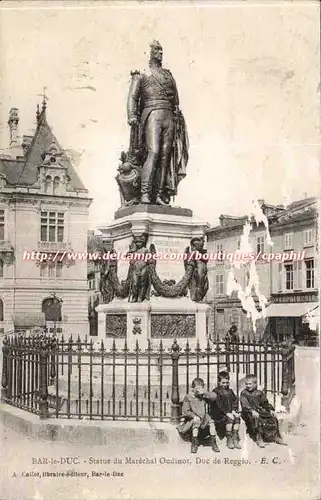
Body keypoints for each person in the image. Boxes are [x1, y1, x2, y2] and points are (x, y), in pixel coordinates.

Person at [127, 40, 188, 205]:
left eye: (161, 50)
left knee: (165, 157)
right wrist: (132, 115)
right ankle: (145, 193)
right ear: (148, 53)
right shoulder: (142, 73)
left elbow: (175, 99)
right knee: (153, 152)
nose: (160, 53)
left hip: (169, 116)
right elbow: (133, 97)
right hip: (152, 114)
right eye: (156, 50)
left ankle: (159, 195)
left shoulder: (168, 75)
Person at [240, 374, 287, 448]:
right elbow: (245, 404)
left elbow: (265, 403)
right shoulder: (244, 393)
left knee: (273, 417)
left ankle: (276, 436)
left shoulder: (259, 393)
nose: (248, 386)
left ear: (255, 384)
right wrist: (252, 410)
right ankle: (259, 437)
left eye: (250, 384)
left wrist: (270, 409)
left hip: (258, 410)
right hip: (248, 412)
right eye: (246, 384)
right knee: (256, 419)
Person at [177, 377, 219, 453]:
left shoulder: (203, 396)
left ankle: (213, 442)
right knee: (196, 423)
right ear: (192, 388)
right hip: (193, 417)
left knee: (211, 422)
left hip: (204, 416)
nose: (198, 390)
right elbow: (186, 411)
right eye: (197, 388)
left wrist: (204, 392)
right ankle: (194, 443)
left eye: (201, 388)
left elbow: (214, 397)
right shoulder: (188, 397)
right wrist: (194, 416)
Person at [209, 371, 241, 449]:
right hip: (219, 414)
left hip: (229, 412)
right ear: (218, 382)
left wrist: (233, 410)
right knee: (229, 419)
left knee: (237, 419)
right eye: (223, 383)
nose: (225, 385)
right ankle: (229, 438)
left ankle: (235, 438)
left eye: (227, 382)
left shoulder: (230, 391)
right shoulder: (216, 392)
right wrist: (227, 413)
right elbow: (218, 405)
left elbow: (235, 400)